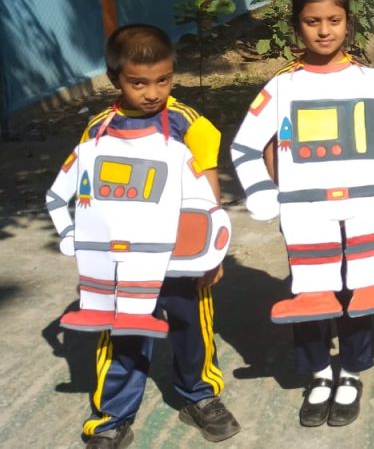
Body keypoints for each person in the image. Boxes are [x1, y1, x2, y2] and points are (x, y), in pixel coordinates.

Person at [231, 0, 374, 428]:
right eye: (312, 21)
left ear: (348, 22)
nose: (324, 31)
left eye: (334, 20)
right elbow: (245, 145)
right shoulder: (282, 87)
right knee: (311, 292)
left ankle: (352, 373)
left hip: (365, 211)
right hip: (308, 215)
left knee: (359, 291)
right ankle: (320, 372)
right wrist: (264, 193)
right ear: (296, 25)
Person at [48, 24, 240, 449]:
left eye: (163, 80)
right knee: (123, 335)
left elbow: (209, 187)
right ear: (115, 78)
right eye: (139, 83)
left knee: (193, 328)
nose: (153, 93)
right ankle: (112, 417)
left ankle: (199, 395)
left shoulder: (188, 123)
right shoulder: (98, 130)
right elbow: (88, 195)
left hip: (179, 258)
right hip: (124, 264)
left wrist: (211, 254)